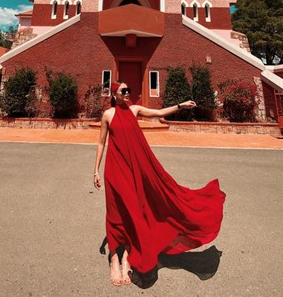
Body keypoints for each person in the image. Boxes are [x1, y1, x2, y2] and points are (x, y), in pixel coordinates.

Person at [93, 81, 225, 287]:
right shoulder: (107, 115)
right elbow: (101, 143)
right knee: (114, 211)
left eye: (129, 90)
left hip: (134, 171)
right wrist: (95, 170)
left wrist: (180, 106)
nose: (128, 93)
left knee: (133, 211)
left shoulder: (135, 110)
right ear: (115, 94)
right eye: (124, 91)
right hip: (114, 171)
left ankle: (127, 254)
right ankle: (114, 259)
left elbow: (158, 112)